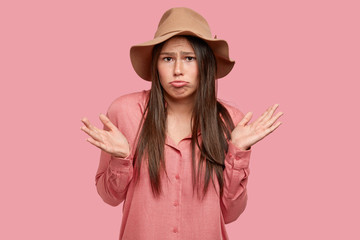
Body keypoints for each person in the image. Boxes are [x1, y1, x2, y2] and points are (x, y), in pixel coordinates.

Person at [80, 7, 283, 240]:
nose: (177, 70)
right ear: (155, 65)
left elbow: (230, 213)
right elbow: (109, 197)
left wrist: (238, 152)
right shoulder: (124, 112)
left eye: (189, 58)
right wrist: (121, 158)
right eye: (168, 59)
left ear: (205, 64)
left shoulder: (232, 122)